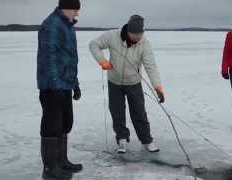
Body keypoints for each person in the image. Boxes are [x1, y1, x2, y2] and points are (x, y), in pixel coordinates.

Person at [89, 15, 165, 154]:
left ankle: (146, 140)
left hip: (133, 83)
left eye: (140, 33)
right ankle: (122, 140)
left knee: (139, 112)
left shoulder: (144, 44)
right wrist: (102, 61)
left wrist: (157, 86)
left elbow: (151, 66)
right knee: (117, 112)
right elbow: (94, 45)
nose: (138, 37)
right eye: (134, 34)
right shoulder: (113, 36)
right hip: (114, 82)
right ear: (128, 31)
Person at [37, 0, 83, 178]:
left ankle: (61, 161)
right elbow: (49, 58)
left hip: (64, 84)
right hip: (52, 85)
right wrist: (55, 85)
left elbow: (69, 58)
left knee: (65, 123)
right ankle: (50, 168)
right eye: (74, 9)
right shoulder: (52, 25)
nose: (76, 13)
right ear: (64, 7)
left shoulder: (67, 26)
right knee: (52, 126)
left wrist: (75, 83)